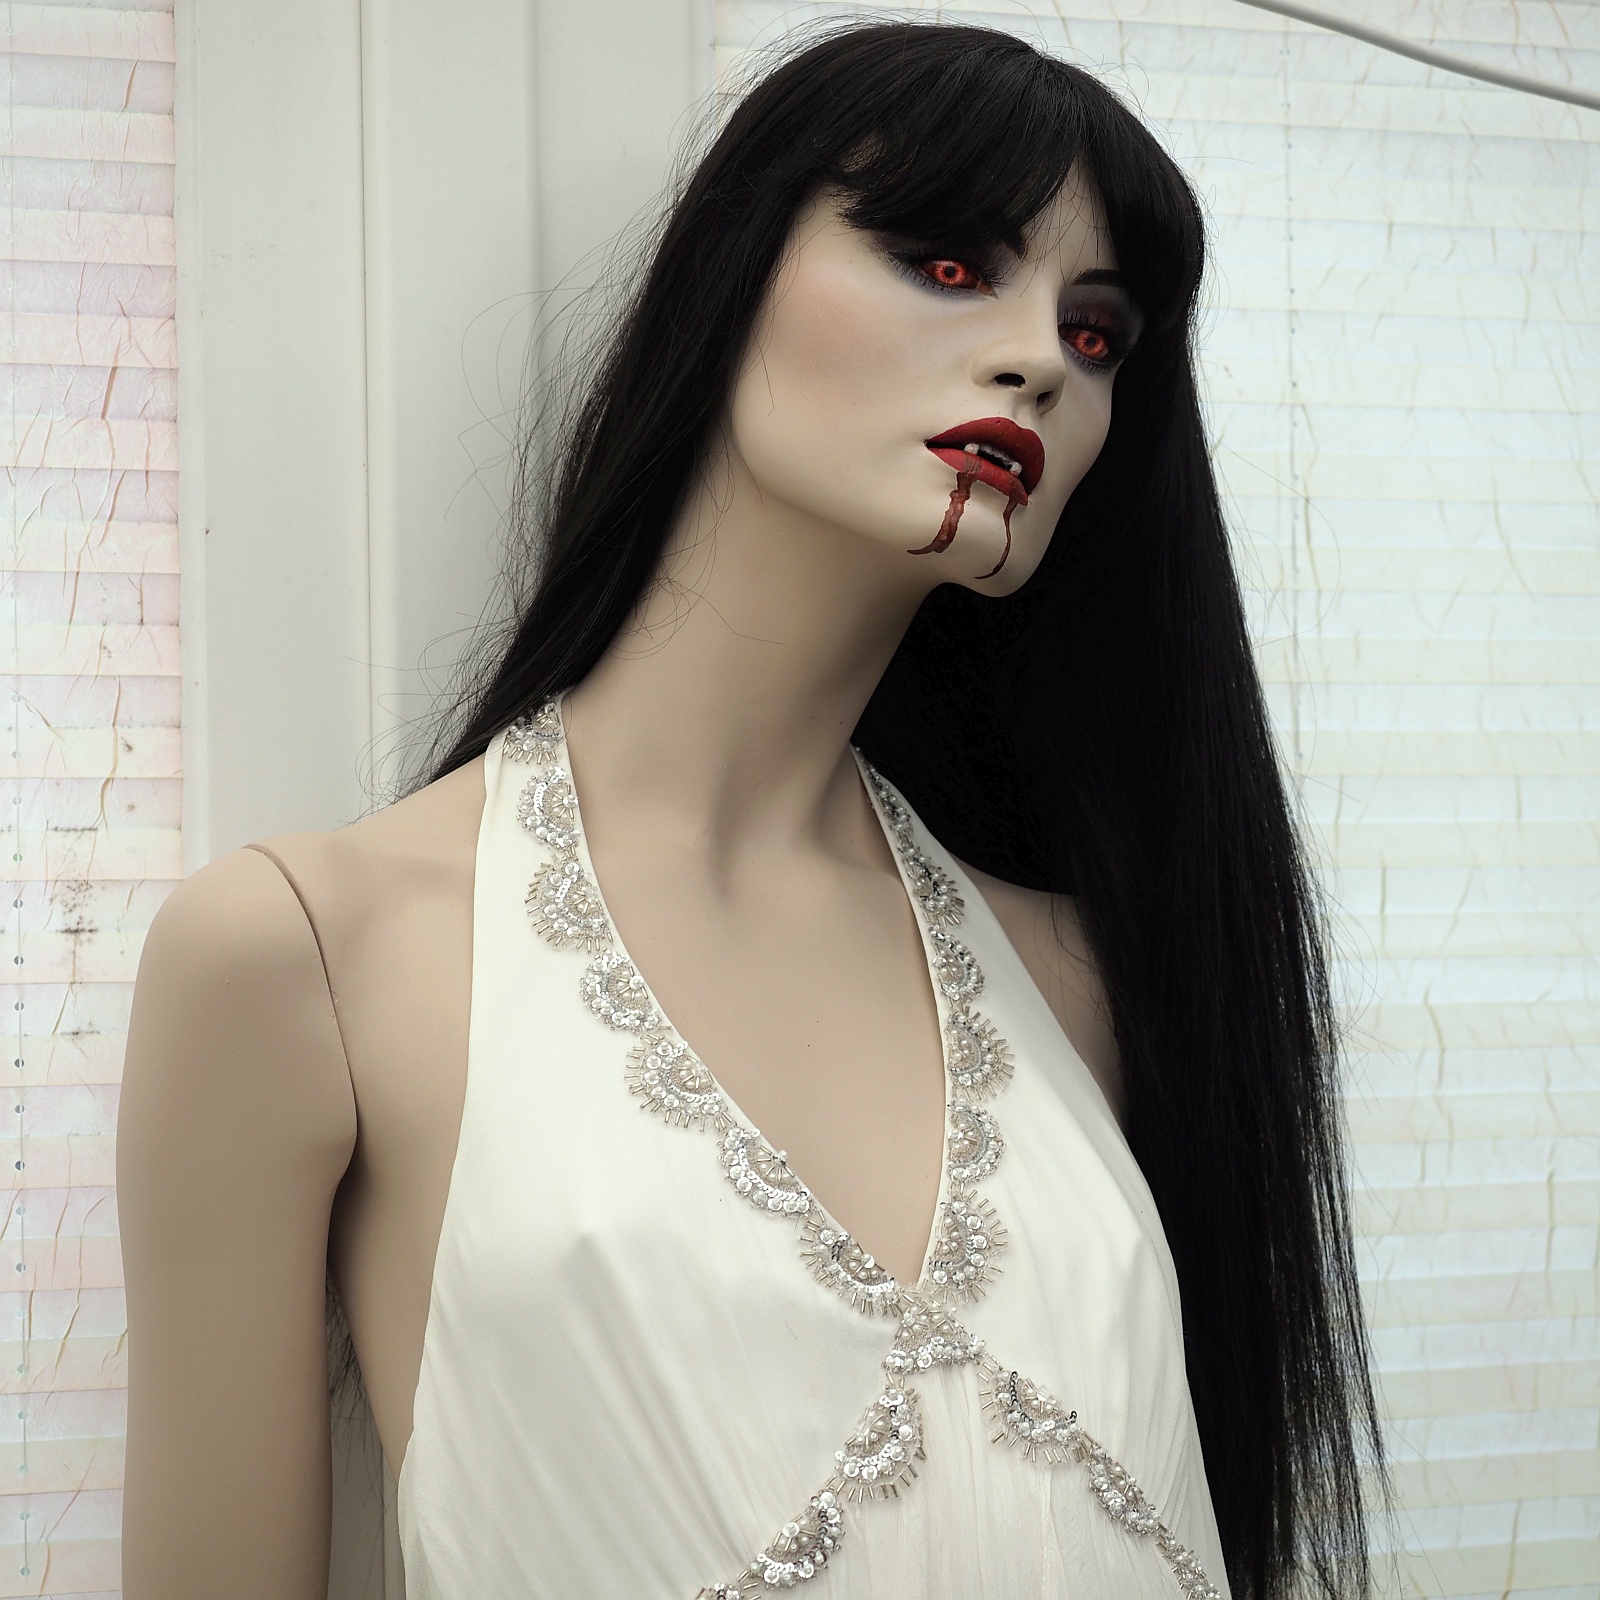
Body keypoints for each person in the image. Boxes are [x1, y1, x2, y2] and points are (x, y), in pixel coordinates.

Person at [118, 22, 1382, 1600]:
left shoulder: (1075, 981)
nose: (1042, 360)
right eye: (946, 263)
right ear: (731, 270)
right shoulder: (307, 960)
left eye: (1097, 330)